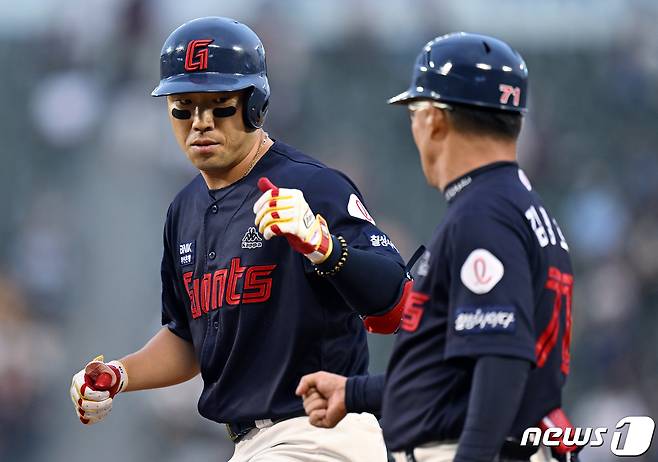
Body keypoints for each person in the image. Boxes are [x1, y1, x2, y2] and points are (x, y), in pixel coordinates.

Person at [68, 17, 411, 462]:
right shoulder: (184, 210)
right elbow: (186, 339)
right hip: (252, 445)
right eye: (184, 106)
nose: (200, 122)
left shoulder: (311, 185)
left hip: (322, 436)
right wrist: (119, 373)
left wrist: (325, 248)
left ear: (256, 105)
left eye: (219, 104)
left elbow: (395, 303)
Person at [297, 32, 579, 462]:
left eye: (415, 113)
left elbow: (500, 360)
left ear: (434, 120)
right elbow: (457, 372)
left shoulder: (484, 215)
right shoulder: (519, 206)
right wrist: (354, 392)